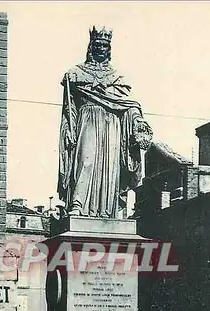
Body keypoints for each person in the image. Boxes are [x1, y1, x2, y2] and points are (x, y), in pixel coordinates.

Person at [58, 26, 153, 218]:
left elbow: (127, 105)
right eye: (98, 44)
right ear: (91, 46)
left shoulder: (117, 77)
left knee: (111, 169)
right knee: (86, 161)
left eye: (105, 45)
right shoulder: (75, 74)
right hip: (86, 122)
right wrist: (68, 129)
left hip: (112, 126)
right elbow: (69, 109)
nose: (101, 48)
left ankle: (108, 210)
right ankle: (77, 204)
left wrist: (138, 123)